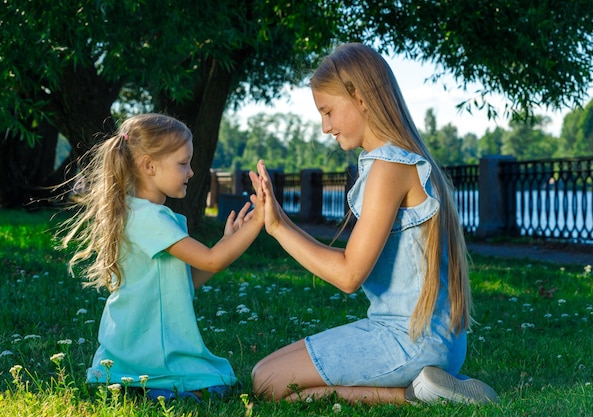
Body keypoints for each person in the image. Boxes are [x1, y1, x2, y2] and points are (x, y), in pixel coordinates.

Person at [252, 43, 498, 405]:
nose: (325, 127)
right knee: (266, 372)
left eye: (328, 111)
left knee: (268, 380)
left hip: (410, 341)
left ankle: (413, 395)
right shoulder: (397, 161)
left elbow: (349, 274)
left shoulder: (388, 167)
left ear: (361, 98)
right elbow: (356, 259)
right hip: (423, 337)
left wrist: (277, 228)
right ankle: (430, 385)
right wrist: (281, 220)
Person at [58, 113, 265, 401]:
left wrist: (227, 241)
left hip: (136, 340)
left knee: (218, 380)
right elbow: (211, 260)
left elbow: (183, 282)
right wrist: (258, 222)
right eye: (183, 163)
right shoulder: (149, 218)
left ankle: (134, 384)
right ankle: (152, 388)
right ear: (149, 166)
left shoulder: (144, 214)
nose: (191, 172)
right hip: (149, 346)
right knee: (216, 385)